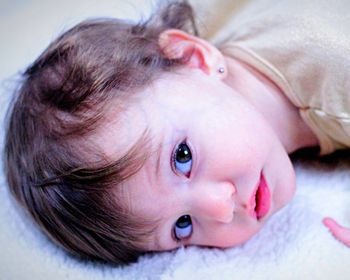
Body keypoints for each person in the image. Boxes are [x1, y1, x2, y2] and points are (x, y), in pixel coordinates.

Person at [3, 0, 350, 266]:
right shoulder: (194, 71)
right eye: (182, 226)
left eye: (182, 157)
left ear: (192, 56)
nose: (219, 209)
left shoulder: (334, 69)